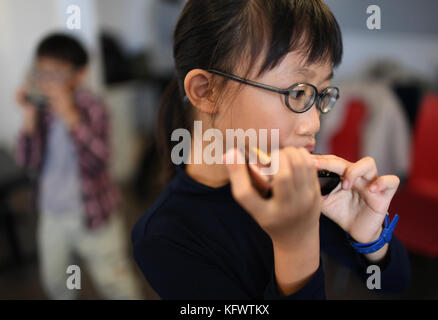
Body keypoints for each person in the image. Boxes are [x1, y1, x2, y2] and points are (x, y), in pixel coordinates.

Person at [132, 0, 410, 299]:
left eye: (320, 94)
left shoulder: (300, 181)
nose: (314, 123)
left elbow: (392, 284)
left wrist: (370, 237)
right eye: (296, 92)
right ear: (205, 91)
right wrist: (296, 244)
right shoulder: (164, 237)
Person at [16, 33, 142, 300]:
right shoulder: (40, 111)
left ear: (79, 75)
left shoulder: (93, 108)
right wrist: (28, 115)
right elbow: (27, 161)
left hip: (94, 213)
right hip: (52, 214)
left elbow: (99, 160)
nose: (47, 82)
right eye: (41, 72)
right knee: (57, 282)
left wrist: (71, 117)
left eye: (56, 74)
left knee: (114, 281)